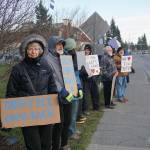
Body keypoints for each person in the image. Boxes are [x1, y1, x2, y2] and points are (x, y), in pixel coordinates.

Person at [6, 34, 57, 150]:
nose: (33, 51)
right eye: (30, 48)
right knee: (34, 146)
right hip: (27, 112)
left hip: (45, 111)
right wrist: (8, 115)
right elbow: (11, 92)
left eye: (36, 49)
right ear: (25, 50)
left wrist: (56, 99)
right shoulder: (18, 69)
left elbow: (52, 87)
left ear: (41, 50)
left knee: (46, 144)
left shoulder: (46, 67)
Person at [44, 36, 74, 150]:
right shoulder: (46, 59)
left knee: (67, 120)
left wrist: (76, 87)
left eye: (62, 44)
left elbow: (70, 74)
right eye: (58, 44)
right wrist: (61, 89)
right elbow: (52, 77)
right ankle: (56, 146)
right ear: (52, 46)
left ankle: (64, 143)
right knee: (58, 123)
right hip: (56, 95)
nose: (60, 46)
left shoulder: (64, 57)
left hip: (68, 93)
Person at [64, 38, 83, 140]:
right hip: (70, 85)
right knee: (72, 112)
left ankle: (73, 129)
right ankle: (71, 132)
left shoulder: (74, 55)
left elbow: (77, 72)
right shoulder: (66, 57)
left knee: (73, 111)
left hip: (75, 82)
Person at [80, 44, 100, 112]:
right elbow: (81, 69)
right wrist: (86, 73)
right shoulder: (81, 58)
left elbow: (96, 68)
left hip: (93, 78)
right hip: (86, 78)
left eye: (88, 50)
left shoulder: (93, 57)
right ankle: (85, 109)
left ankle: (96, 107)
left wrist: (97, 72)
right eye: (86, 49)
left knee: (95, 93)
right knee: (86, 95)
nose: (87, 51)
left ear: (90, 50)